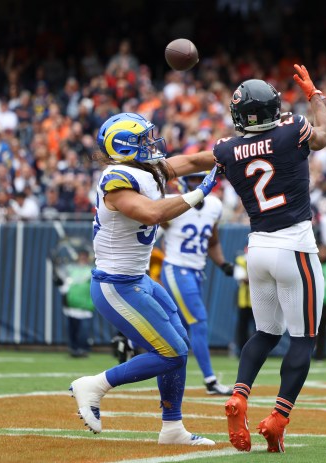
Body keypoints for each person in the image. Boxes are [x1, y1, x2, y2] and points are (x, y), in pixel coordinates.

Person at [69, 112, 218, 446]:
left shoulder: (147, 168)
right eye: (142, 140)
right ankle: (94, 385)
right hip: (115, 284)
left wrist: (239, 151)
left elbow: (195, 159)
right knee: (172, 352)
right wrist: (199, 192)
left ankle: (172, 428)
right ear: (125, 147)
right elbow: (152, 213)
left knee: (180, 342)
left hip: (138, 280)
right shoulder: (117, 179)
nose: (152, 144)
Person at [214, 65, 326, 453]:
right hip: (294, 245)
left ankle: (240, 394)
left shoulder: (226, 150)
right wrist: (315, 97)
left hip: (257, 248)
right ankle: (278, 417)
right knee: (303, 339)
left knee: (265, 333)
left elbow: (205, 158)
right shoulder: (291, 130)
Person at [159, 171, 235, 396]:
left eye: (200, 178)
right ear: (182, 181)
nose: (197, 183)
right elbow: (152, 219)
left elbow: (212, 241)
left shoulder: (214, 205)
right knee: (199, 321)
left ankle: (167, 376)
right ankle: (210, 380)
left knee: (179, 328)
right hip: (176, 268)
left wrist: (222, 264)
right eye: (192, 179)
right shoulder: (170, 204)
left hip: (196, 271)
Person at [53, 246, 95, 358]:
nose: (83, 258)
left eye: (85, 256)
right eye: (81, 256)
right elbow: (63, 283)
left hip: (85, 305)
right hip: (71, 305)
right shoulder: (70, 269)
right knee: (72, 330)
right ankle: (73, 349)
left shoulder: (92, 269)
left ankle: (83, 349)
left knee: (84, 331)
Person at [233, 247, 255, 356]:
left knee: (259, 328)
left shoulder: (259, 259)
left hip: (257, 300)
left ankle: (256, 351)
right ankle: (242, 351)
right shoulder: (240, 260)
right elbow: (241, 278)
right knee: (242, 327)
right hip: (243, 299)